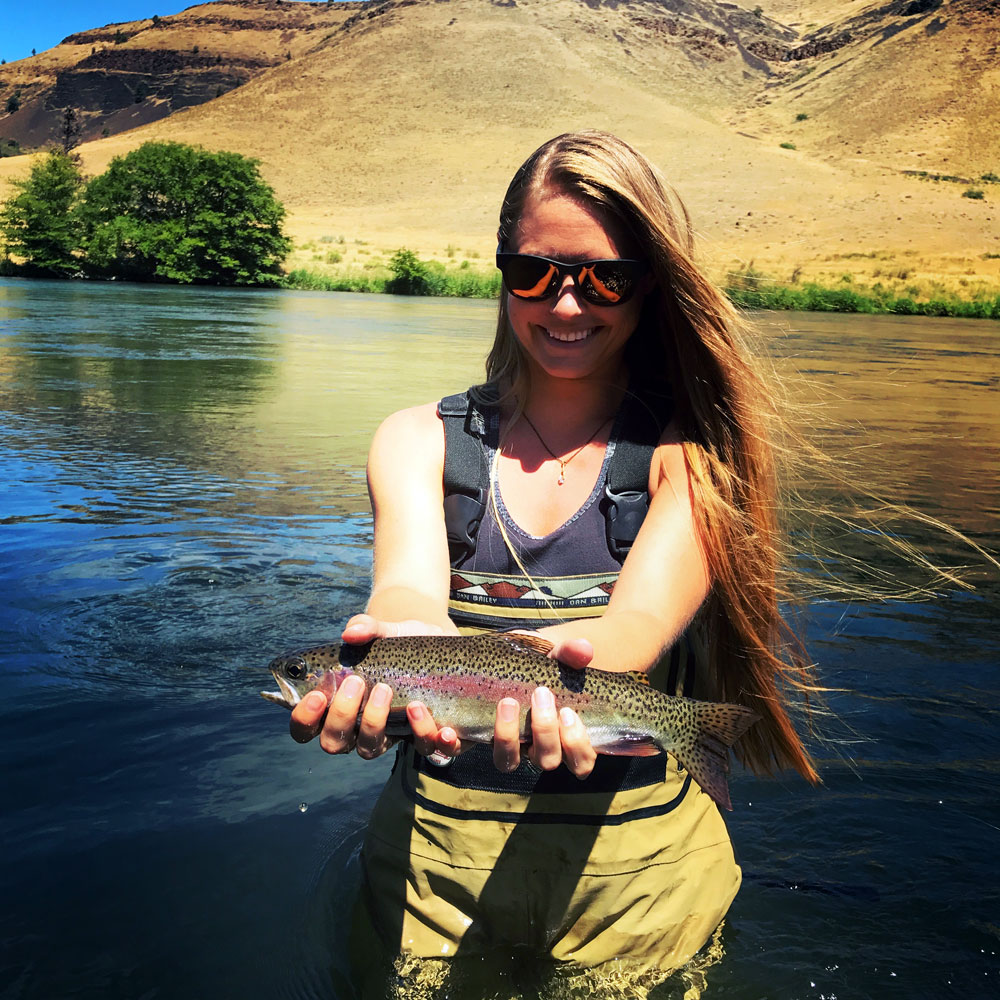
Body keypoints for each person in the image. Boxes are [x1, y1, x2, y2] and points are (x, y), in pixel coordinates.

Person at [288, 131, 819, 985]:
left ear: (650, 287)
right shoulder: (415, 440)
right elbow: (407, 592)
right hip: (431, 873)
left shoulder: (692, 457)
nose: (567, 305)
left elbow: (636, 626)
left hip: (638, 886)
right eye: (536, 272)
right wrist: (392, 643)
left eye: (604, 276)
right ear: (501, 273)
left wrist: (556, 672)